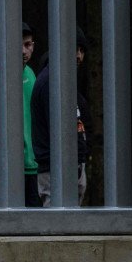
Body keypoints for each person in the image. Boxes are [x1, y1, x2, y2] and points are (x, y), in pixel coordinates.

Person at [0, 22, 42, 207]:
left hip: (33, 168)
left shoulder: (31, 74)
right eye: (17, 45)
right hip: (7, 170)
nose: (23, 51)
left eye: (27, 45)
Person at [30, 28, 90, 206]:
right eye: (74, 49)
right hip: (57, 170)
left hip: (68, 166)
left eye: (82, 50)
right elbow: (58, 130)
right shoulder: (52, 81)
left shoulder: (62, 80)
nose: (78, 56)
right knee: (58, 227)